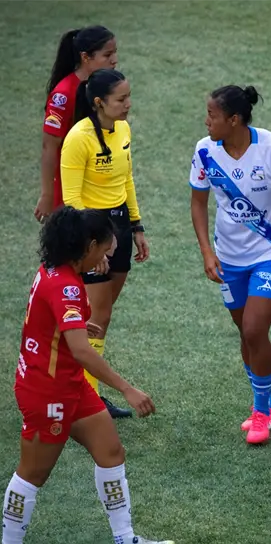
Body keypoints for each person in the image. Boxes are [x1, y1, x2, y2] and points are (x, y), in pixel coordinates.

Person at [1, 207, 173, 544]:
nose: (110, 253)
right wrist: (127, 389)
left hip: (69, 385)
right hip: (47, 392)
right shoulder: (66, 286)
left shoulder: (55, 269)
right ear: (89, 245)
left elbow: (48, 317)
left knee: (111, 451)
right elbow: (81, 352)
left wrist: (76, 324)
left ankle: (125, 541)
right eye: (106, 247)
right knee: (32, 474)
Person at [189, 85, 271, 445]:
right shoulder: (204, 150)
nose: (206, 121)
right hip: (228, 256)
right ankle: (267, 402)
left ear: (234, 119)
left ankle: (261, 411)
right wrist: (206, 252)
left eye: (212, 115)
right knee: (245, 331)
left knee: (254, 329)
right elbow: (198, 204)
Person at [60, 68, 149, 419]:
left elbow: (126, 179)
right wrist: (92, 245)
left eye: (128, 97)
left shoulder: (123, 130)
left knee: (101, 317)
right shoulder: (78, 138)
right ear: (99, 102)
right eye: (121, 99)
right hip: (93, 235)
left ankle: (81, 389)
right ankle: (89, 398)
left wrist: (137, 226)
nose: (128, 105)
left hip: (120, 229)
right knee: (95, 316)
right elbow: (70, 200)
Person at [35, 25, 117, 222]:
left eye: (115, 53)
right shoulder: (62, 96)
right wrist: (47, 195)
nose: (114, 60)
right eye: (107, 55)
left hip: (99, 184)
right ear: (85, 57)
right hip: (70, 188)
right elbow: (49, 146)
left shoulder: (106, 87)